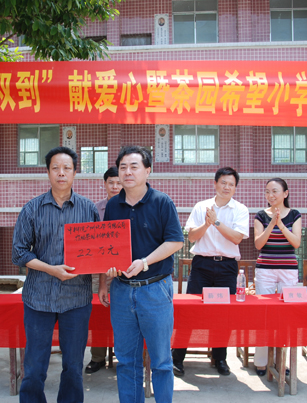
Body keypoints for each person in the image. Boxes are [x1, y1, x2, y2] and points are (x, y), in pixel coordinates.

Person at [12, 147, 100, 403]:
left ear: (75, 172)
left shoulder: (88, 209)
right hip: (39, 298)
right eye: (55, 168)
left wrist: (106, 267)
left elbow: (97, 251)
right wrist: (51, 269)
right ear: (48, 172)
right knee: (34, 367)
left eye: (67, 168)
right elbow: (19, 253)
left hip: (76, 299)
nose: (61, 173)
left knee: (73, 367)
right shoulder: (32, 209)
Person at [100, 146, 184, 403]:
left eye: (134, 166)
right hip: (122, 291)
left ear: (147, 171)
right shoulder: (113, 205)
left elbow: (175, 241)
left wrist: (145, 262)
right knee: (126, 361)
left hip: (155, 289)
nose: (128, 172)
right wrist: (107, 273)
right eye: (123, 167)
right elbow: (108, 247)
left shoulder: (162, 202)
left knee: (161, 361)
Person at [171, 167, 249, 377]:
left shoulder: (240, 209)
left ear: (235, 188)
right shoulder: (201, 206)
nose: (226, 187)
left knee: (223, 314)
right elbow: (191, 237)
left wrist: (216, 222)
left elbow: (237, 238)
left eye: (231, 184)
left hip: (227, 266)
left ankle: (220, 358)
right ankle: (177, 357)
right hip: (202, 265)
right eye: (223, 182)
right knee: (191, 311)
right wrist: (206, 224)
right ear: (215, 184)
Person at [253, 178, 301, 376]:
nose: (270, 195)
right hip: (265, 269)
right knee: (263, 313)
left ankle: (282, 361)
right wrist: (271, 223)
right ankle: (261, 361)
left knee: (286, 315)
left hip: (288, 269)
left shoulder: (295, 215)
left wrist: (280, 224)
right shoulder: (260, 215)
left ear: (285, 193)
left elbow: (296, 242)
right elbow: (258, 244)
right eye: (267, 191)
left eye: (274, 191)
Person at [85, 166, 122, 374]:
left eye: (119, 183)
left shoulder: (131, 207)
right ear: (105, 184)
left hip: (126, 271)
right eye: (111, 182)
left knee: (124, 314)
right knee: (98, 314)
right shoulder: (95, 209)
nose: (115, 186)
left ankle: (123, 356)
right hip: (98, 271)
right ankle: (97, 357)